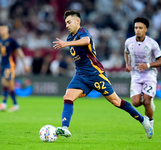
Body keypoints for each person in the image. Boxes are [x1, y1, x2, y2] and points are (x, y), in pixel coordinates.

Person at [53, 10, 153, 139]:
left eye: (69, 22)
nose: (66, 25)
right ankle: (65, 128)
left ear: (77, 22)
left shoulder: (82, 32)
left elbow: (86, 41)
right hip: (80, 76)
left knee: (116, 102)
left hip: (95, 74)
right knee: (68, 96)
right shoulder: (70, 38)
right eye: (65, 23)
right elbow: (79, 56)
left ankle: (143, 120)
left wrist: (66, 44)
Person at [124, 17, 161, 129]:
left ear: (145, 29)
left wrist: (147, 65)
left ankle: (150, 124)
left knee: (146, 101)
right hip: (136, 75)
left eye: (140, 28)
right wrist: (127, 64)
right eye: (136, 27)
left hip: (149, 74)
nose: (138, 30)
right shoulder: (129, 42)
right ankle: (149, 102)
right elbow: (126, 52)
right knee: (136, 103)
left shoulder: (152, 43)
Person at [0, 23, 29, 112]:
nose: (0, 31)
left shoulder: (12, 40)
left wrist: (25, 64)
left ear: (7, 30)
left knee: (4, 81)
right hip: (3, 65)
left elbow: (19, 52)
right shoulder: (0, 41)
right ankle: (15, 105)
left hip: (10, 65)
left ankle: (3, 103)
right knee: (10, 86)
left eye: (2, 29)